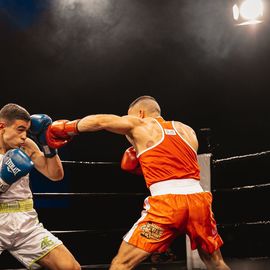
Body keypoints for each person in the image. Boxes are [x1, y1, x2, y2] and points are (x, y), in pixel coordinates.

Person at [46, 95, 230, 270]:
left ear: (140, 113)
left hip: (167, 207)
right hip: (199, 203)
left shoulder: (141, 123)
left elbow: (101, 121)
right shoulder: (186, 129)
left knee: (121, 264)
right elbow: (175, 165)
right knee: (215, 263)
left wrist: (68, 128)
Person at [0, 103, 81, 270]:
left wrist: (47, 144)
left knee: (70, 267)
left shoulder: (26, 145)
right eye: (20, 129)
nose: (24, 136)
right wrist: (3, 181)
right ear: (2, 126)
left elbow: (55, 175)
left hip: (26, 223)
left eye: (26, 131)